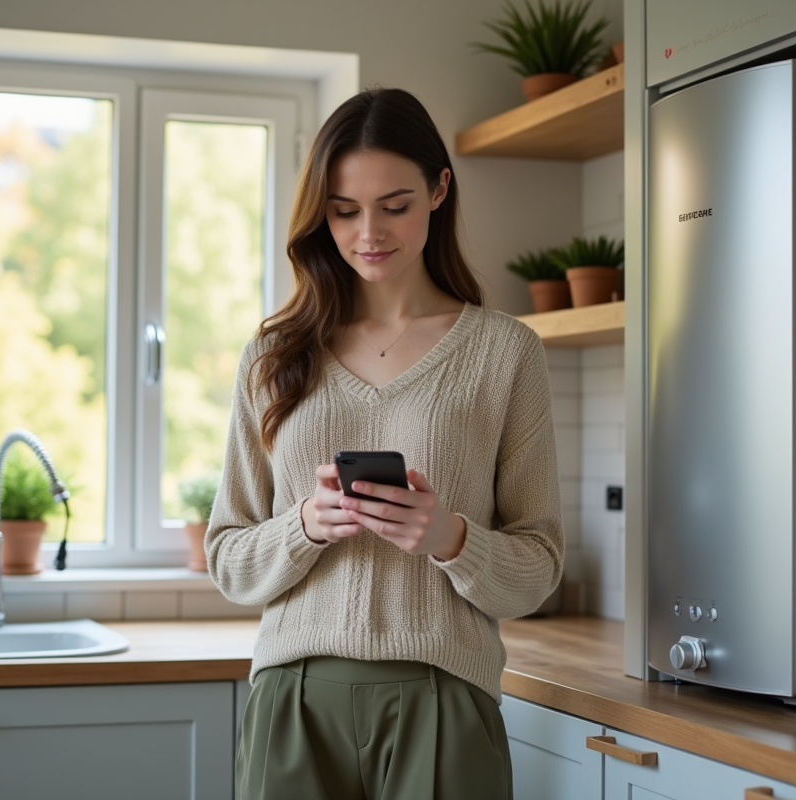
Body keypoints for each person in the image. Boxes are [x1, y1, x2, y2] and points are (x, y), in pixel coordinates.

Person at [205, 86, 564, 800]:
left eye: (394, 205)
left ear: (439, 191)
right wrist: (304, 526)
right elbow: (227, 557)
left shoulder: (505, 354)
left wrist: (450, 536)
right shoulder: (274, 355)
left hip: (445, 702)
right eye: (343, 211)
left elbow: (538, 568)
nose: (368, 231)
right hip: (294, 704)